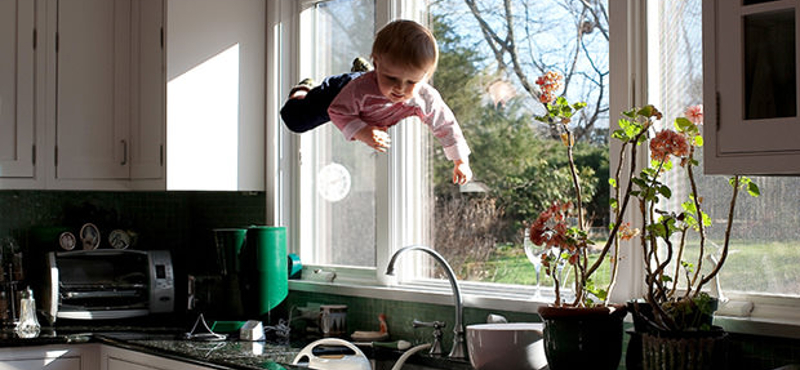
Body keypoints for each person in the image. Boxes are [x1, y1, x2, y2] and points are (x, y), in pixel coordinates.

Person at [280, 19, 473, 185]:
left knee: (381, 87)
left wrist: (460, 161)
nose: (400, 88)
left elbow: (445, 124)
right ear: (377, 64)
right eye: (392, 78)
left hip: (370, 96)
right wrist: (362, 131)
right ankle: (303, 90)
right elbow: (338, 111)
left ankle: (365, 72)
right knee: (296, 121)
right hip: (339, 94)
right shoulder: (359, 89)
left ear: (425, 77)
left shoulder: (425, 97)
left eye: (411, 82)